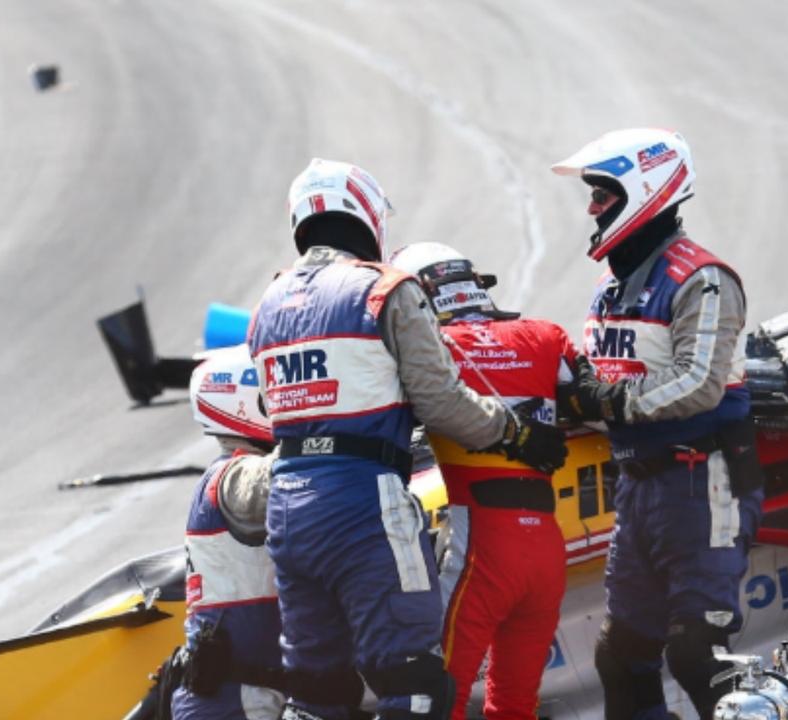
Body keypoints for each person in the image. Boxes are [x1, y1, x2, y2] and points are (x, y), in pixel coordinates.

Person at [248, 159, 568, 720]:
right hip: (364, 503)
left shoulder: (268, 303)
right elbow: (441, 402)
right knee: (417, 683)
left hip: (289, 505)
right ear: (367, 215)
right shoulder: (385, 288)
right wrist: (516, 432)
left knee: (317, 691)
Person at [550, 129, 765, 719]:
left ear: (644, 191)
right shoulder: (610, 284)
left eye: (602, 194)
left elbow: (699, 383)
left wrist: (606, 401)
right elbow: (598, 378)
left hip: (702, 480)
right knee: (621, 658)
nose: (592, 208)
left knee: (699, 652)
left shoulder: (705, 278)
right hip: (638, 487)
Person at [390, 242, 574, 720]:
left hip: (482, 553)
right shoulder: (544, 334)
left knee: (434, 702)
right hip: (548, 553)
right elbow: (592, 402)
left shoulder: (430, 352)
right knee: (514, 707)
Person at [171, 345, 285, 720]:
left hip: (256, 694)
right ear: (245, 402)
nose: (290, 400)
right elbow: (284, 478)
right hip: (235, 704)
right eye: (278, 392)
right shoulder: (231, 476)